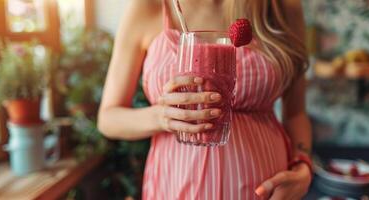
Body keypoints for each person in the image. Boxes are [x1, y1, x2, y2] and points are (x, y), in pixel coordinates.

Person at [98, 0, 312, 199]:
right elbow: (108, 118)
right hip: (176, 187)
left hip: (265, 190)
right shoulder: (148, 6)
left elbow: (295, 114)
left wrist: (303, 167)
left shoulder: (279, 6)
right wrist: (161, 116)